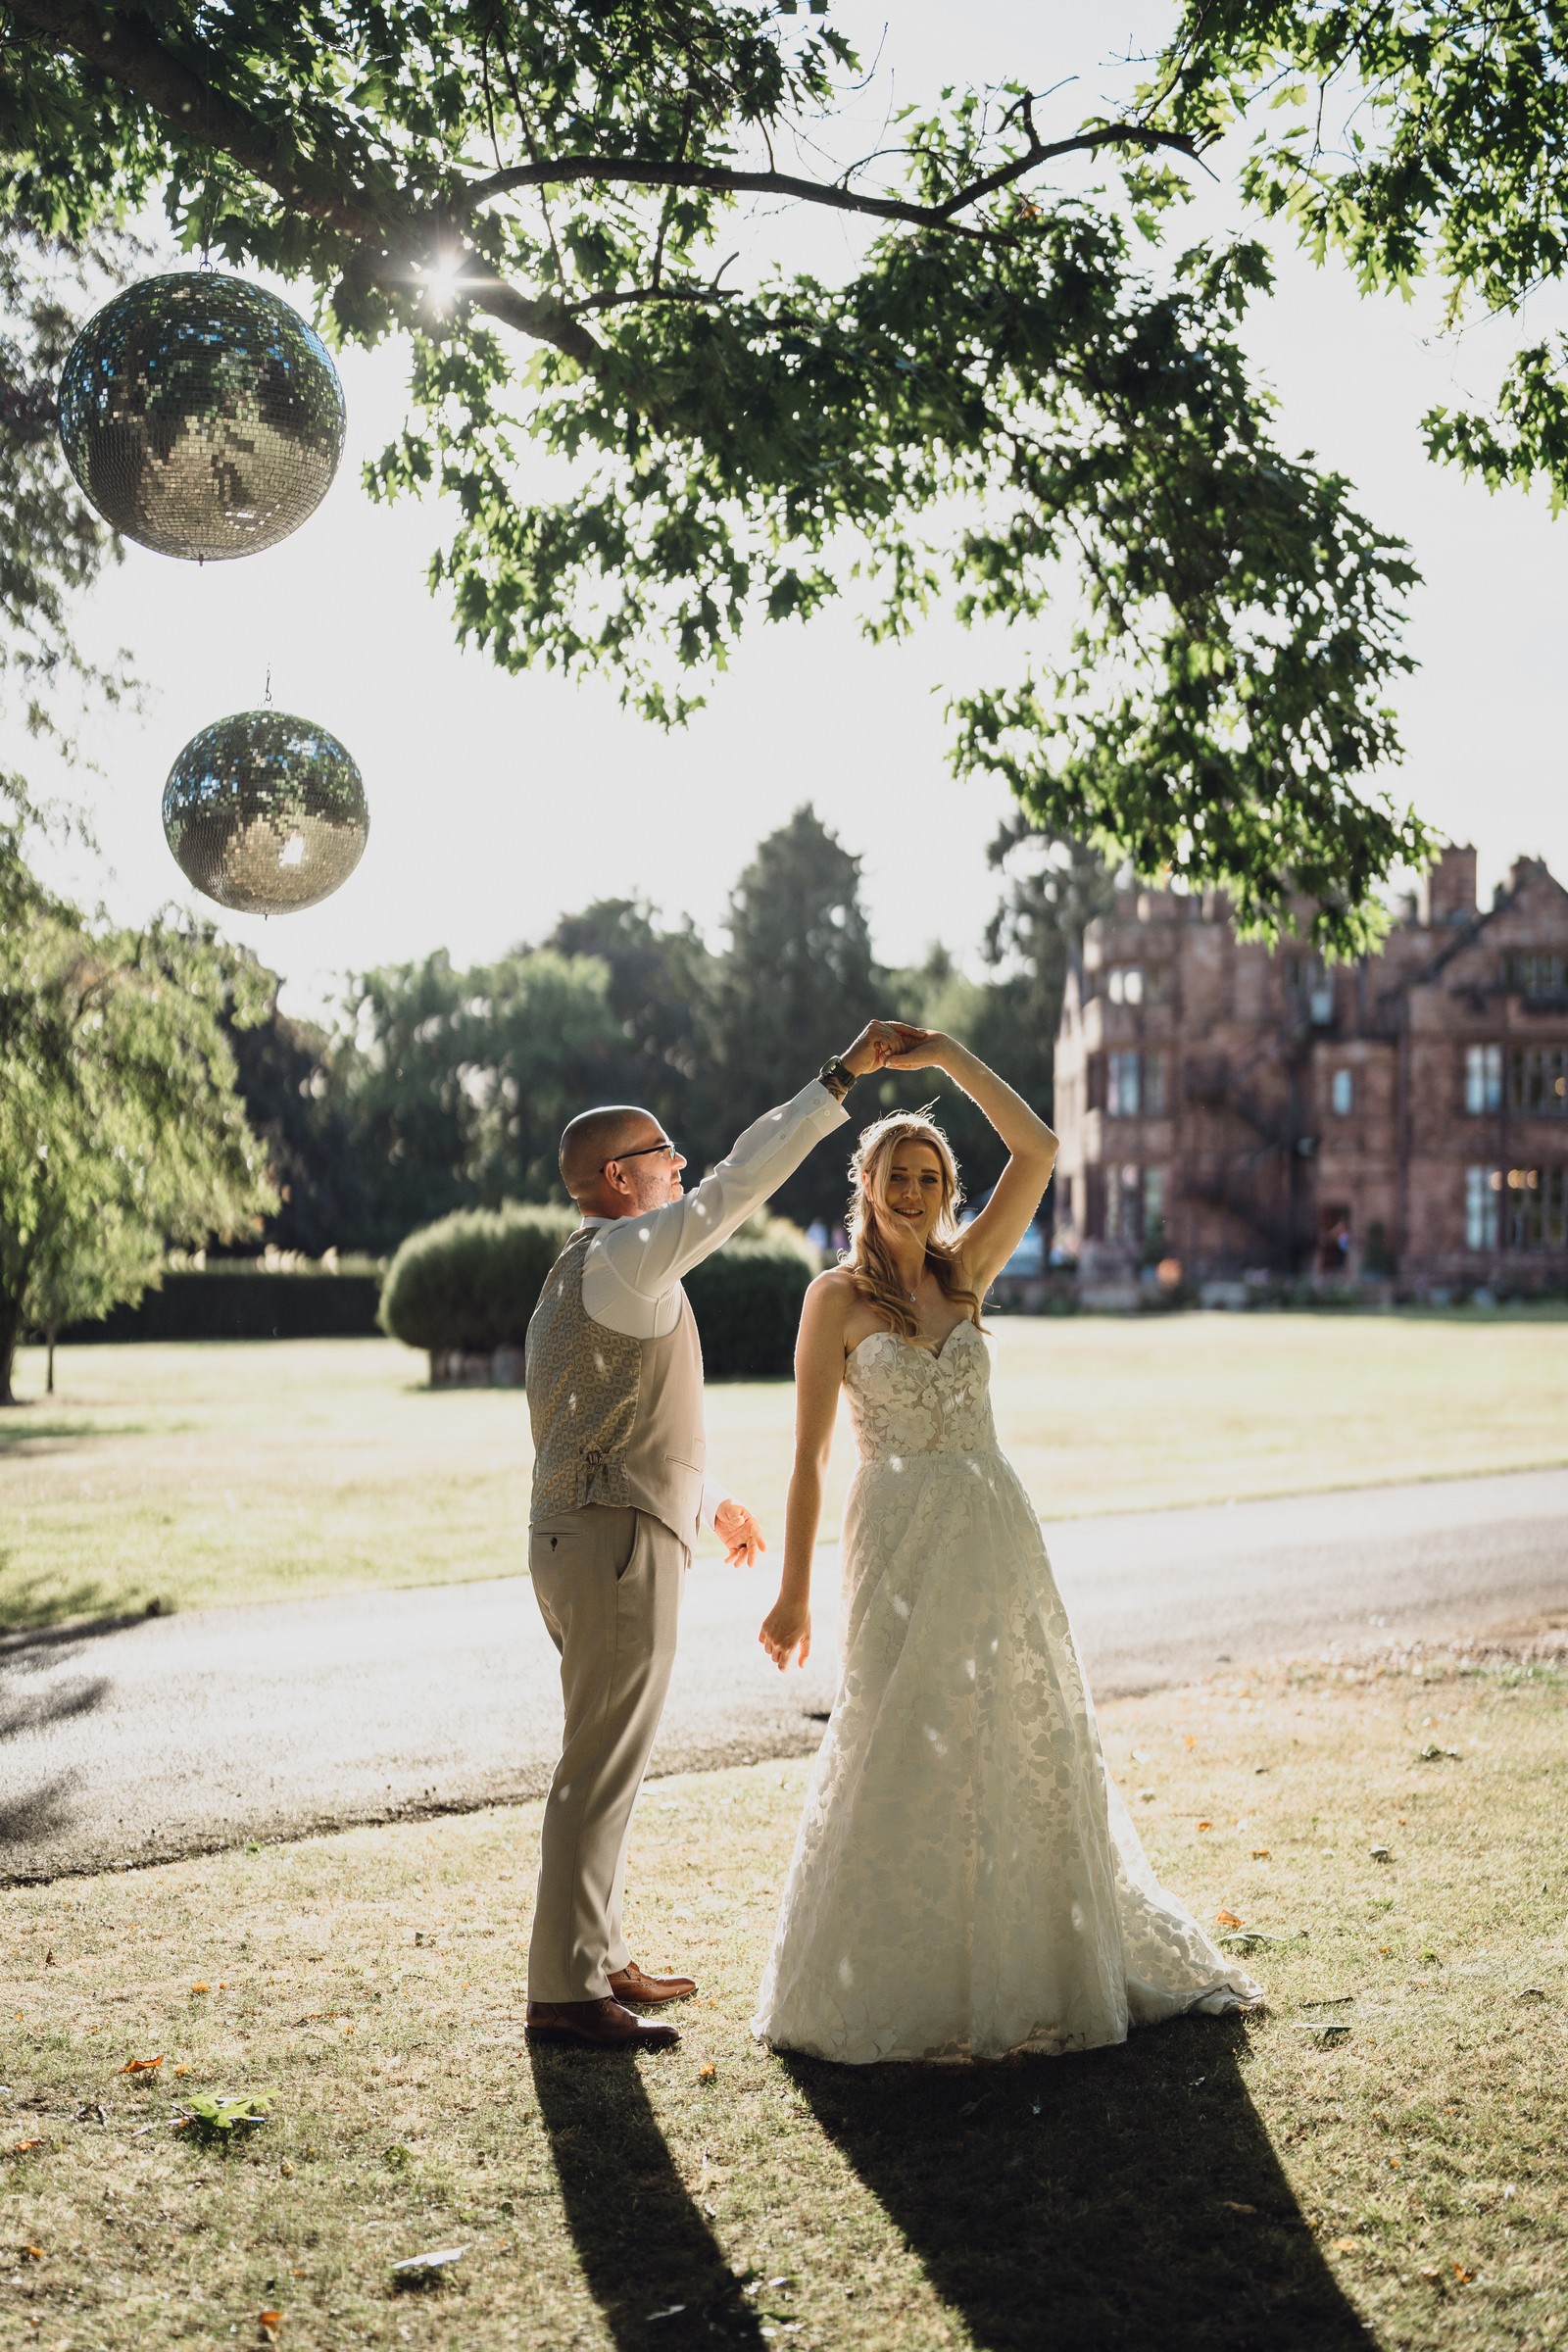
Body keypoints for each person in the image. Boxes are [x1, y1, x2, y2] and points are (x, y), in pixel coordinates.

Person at [753, 1026, 1263, 2063]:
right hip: (894, 1533)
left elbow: (1038, 1150)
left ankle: (1024, 1956)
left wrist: (942, 1056)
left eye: (928, 1174)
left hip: (993, 1527)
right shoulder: (833, 1302)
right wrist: (792, 1592)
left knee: (1010, 1724)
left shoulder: (969, 1270)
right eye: (896, 1171)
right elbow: (806, 1458)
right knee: (899, 1729)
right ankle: (895, 1971)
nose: (912, 1187)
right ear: (866, 1182)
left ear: (945, 1190)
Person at [522, 1020, 910, 2052]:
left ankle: (597, 1958)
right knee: (599, 1763)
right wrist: (837, 1080)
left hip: (589, 1533)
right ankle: (563, 1991)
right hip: (612, 1544)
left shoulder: (590, 1274)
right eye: (663, 1156)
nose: (681, 1167)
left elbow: (611, 1425)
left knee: (605, 1756)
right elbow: (739, 1182)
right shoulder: (625, 1255)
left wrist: (713, 1505)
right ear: (618, 1178)